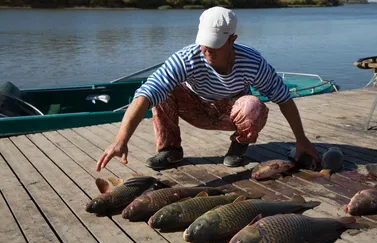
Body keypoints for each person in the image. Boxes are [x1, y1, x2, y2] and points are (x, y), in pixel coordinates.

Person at [96, 6, 320, 172]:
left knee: (254, 106)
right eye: (203, 42)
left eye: (214, 44)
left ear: (233, 39)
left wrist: (301, 139)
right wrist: (120, 140)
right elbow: (145, 94)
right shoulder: (187, 57)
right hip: (195, 105)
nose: (206, 50)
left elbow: (283, 98)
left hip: (230, 111)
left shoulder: (252, 61)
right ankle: (170, 149)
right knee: (161, 89)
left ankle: (238, 146)